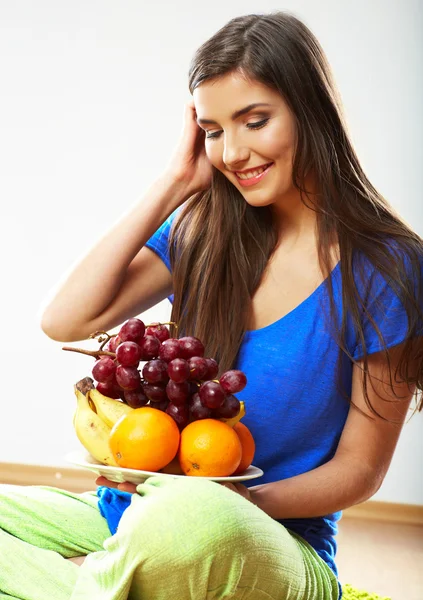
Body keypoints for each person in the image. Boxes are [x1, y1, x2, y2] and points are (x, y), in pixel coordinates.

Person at [1, 10, 422, 600]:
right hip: (132, 518)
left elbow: (361, 470)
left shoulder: (386, 266)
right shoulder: (204, 233)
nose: (233, 152)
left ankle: (95, 581)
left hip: (261, 535)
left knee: (192, 522)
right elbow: (65, 320)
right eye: (214, 129)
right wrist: (175, 181)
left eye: (255, 121)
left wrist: (241, 499)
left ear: (310, 111)